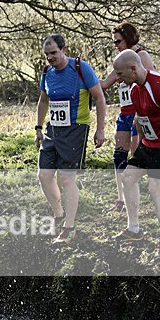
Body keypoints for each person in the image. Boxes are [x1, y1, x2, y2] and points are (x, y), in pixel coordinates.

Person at [111, 50, 160, 262]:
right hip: (148, 145)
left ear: (133, 69)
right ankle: (134, 228)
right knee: (127, 178)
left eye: (120, 74)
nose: (118, 79)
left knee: (156, 189)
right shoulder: (135, 90)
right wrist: (139, 147)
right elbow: (140, 119)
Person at [35, 34, 106, 243]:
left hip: (76, 128)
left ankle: (70, 226)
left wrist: (100, 130)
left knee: (67, 179)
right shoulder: (47, 72)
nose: (50, 58)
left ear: (64, 50)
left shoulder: (80, 68)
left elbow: (99, 97)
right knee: (44, 175)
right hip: (53, 129)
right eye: (47, 54)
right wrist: (38, 128)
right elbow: (43, 101)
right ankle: (59, 213)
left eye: (54, 53)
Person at [100, 23, 155, 212]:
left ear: (129, 38)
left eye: (118, 41)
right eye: (114, 42)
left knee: (139, 156)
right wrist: (83, 77)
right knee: (119, 155)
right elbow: (105, 84)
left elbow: (152, 82)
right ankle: (121, 199)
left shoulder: (141, 56)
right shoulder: (121, 61)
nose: (115, 45)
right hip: (125, 113)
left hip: (140, 113)